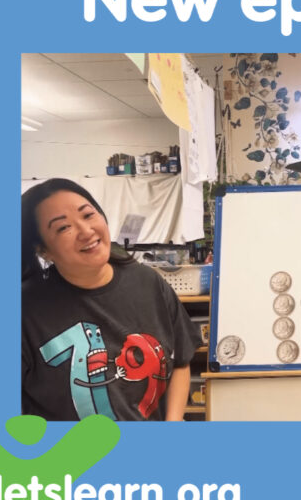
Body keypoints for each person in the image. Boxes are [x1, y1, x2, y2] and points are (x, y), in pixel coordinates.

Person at [21, 178, 200, 421]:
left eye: (88, 215)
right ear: (43, 250)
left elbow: (180, 360)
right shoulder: (26, 308)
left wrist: (174, 422)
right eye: (63, 228)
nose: (86, 231)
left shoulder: (147, 283)